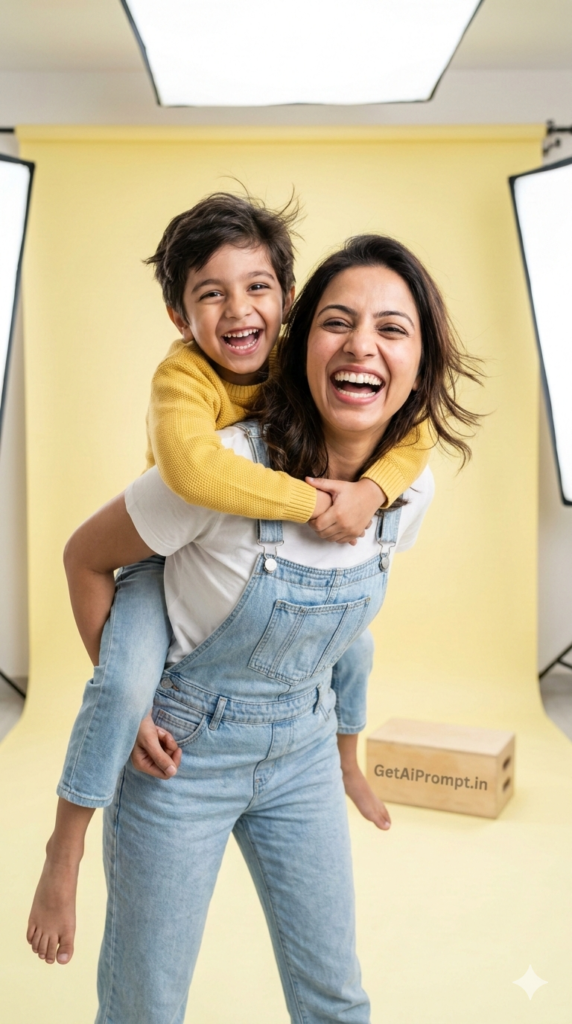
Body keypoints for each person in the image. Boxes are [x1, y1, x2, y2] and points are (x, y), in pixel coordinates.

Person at [38, 234, 478, 1021]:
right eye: (338, 321)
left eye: (393, 329)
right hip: (181, 761)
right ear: (300, 339)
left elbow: (347, 641)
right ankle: (61, 849)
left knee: (336, 1001)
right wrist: (130, 700)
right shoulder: (216, 468)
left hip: (302, 755)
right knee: (145, 1005)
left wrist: (345, 757)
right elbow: (85, 556)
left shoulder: (408, 495)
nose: (362, 345)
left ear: (420, 363)